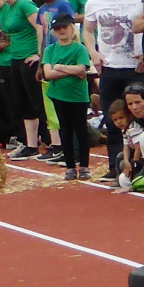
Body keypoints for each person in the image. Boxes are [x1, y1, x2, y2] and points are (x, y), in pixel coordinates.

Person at [0, 0, 41, 154]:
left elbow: (41, 27)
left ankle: (55, 143)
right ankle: (31, 145)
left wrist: (39, 54)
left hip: (29, 58)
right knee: (23, 103)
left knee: (37, 102)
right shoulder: (8, 9)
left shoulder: (25, 4)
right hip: (15, 59)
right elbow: (12, 35)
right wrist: (0, 39)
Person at [39, 11, 94, 180]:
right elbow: (48, 73)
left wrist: (60, 67)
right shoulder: (50, 49)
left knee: (81, 129)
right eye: (57, 28)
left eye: (64, 27)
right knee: (65, 130)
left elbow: (81, 70)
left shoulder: (79, 48)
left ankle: (84, 166)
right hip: (59, 95)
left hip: (78, 95)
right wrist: (71, 70)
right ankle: (70, 166)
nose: (61, 30)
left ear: (71, 28)